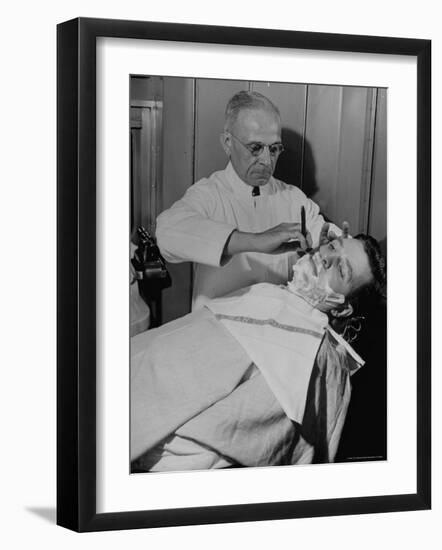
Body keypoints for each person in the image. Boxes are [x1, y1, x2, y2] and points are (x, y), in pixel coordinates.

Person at [130, 233, 386, 472]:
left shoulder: (316, 359)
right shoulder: (268, 292)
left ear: (342, 310)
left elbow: (235, 436)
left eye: (341, 269)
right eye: (332, 247)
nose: (326, 258)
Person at [156, 90, 341, 310]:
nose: (266, 161)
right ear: (227, 142)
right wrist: (256, 240)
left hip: (276, 329)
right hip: (218, 331)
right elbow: (166, 234)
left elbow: (330, 239)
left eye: (274, 149)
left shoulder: (293, 198)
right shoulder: (209, 194)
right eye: (255, 148)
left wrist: (333, 246)